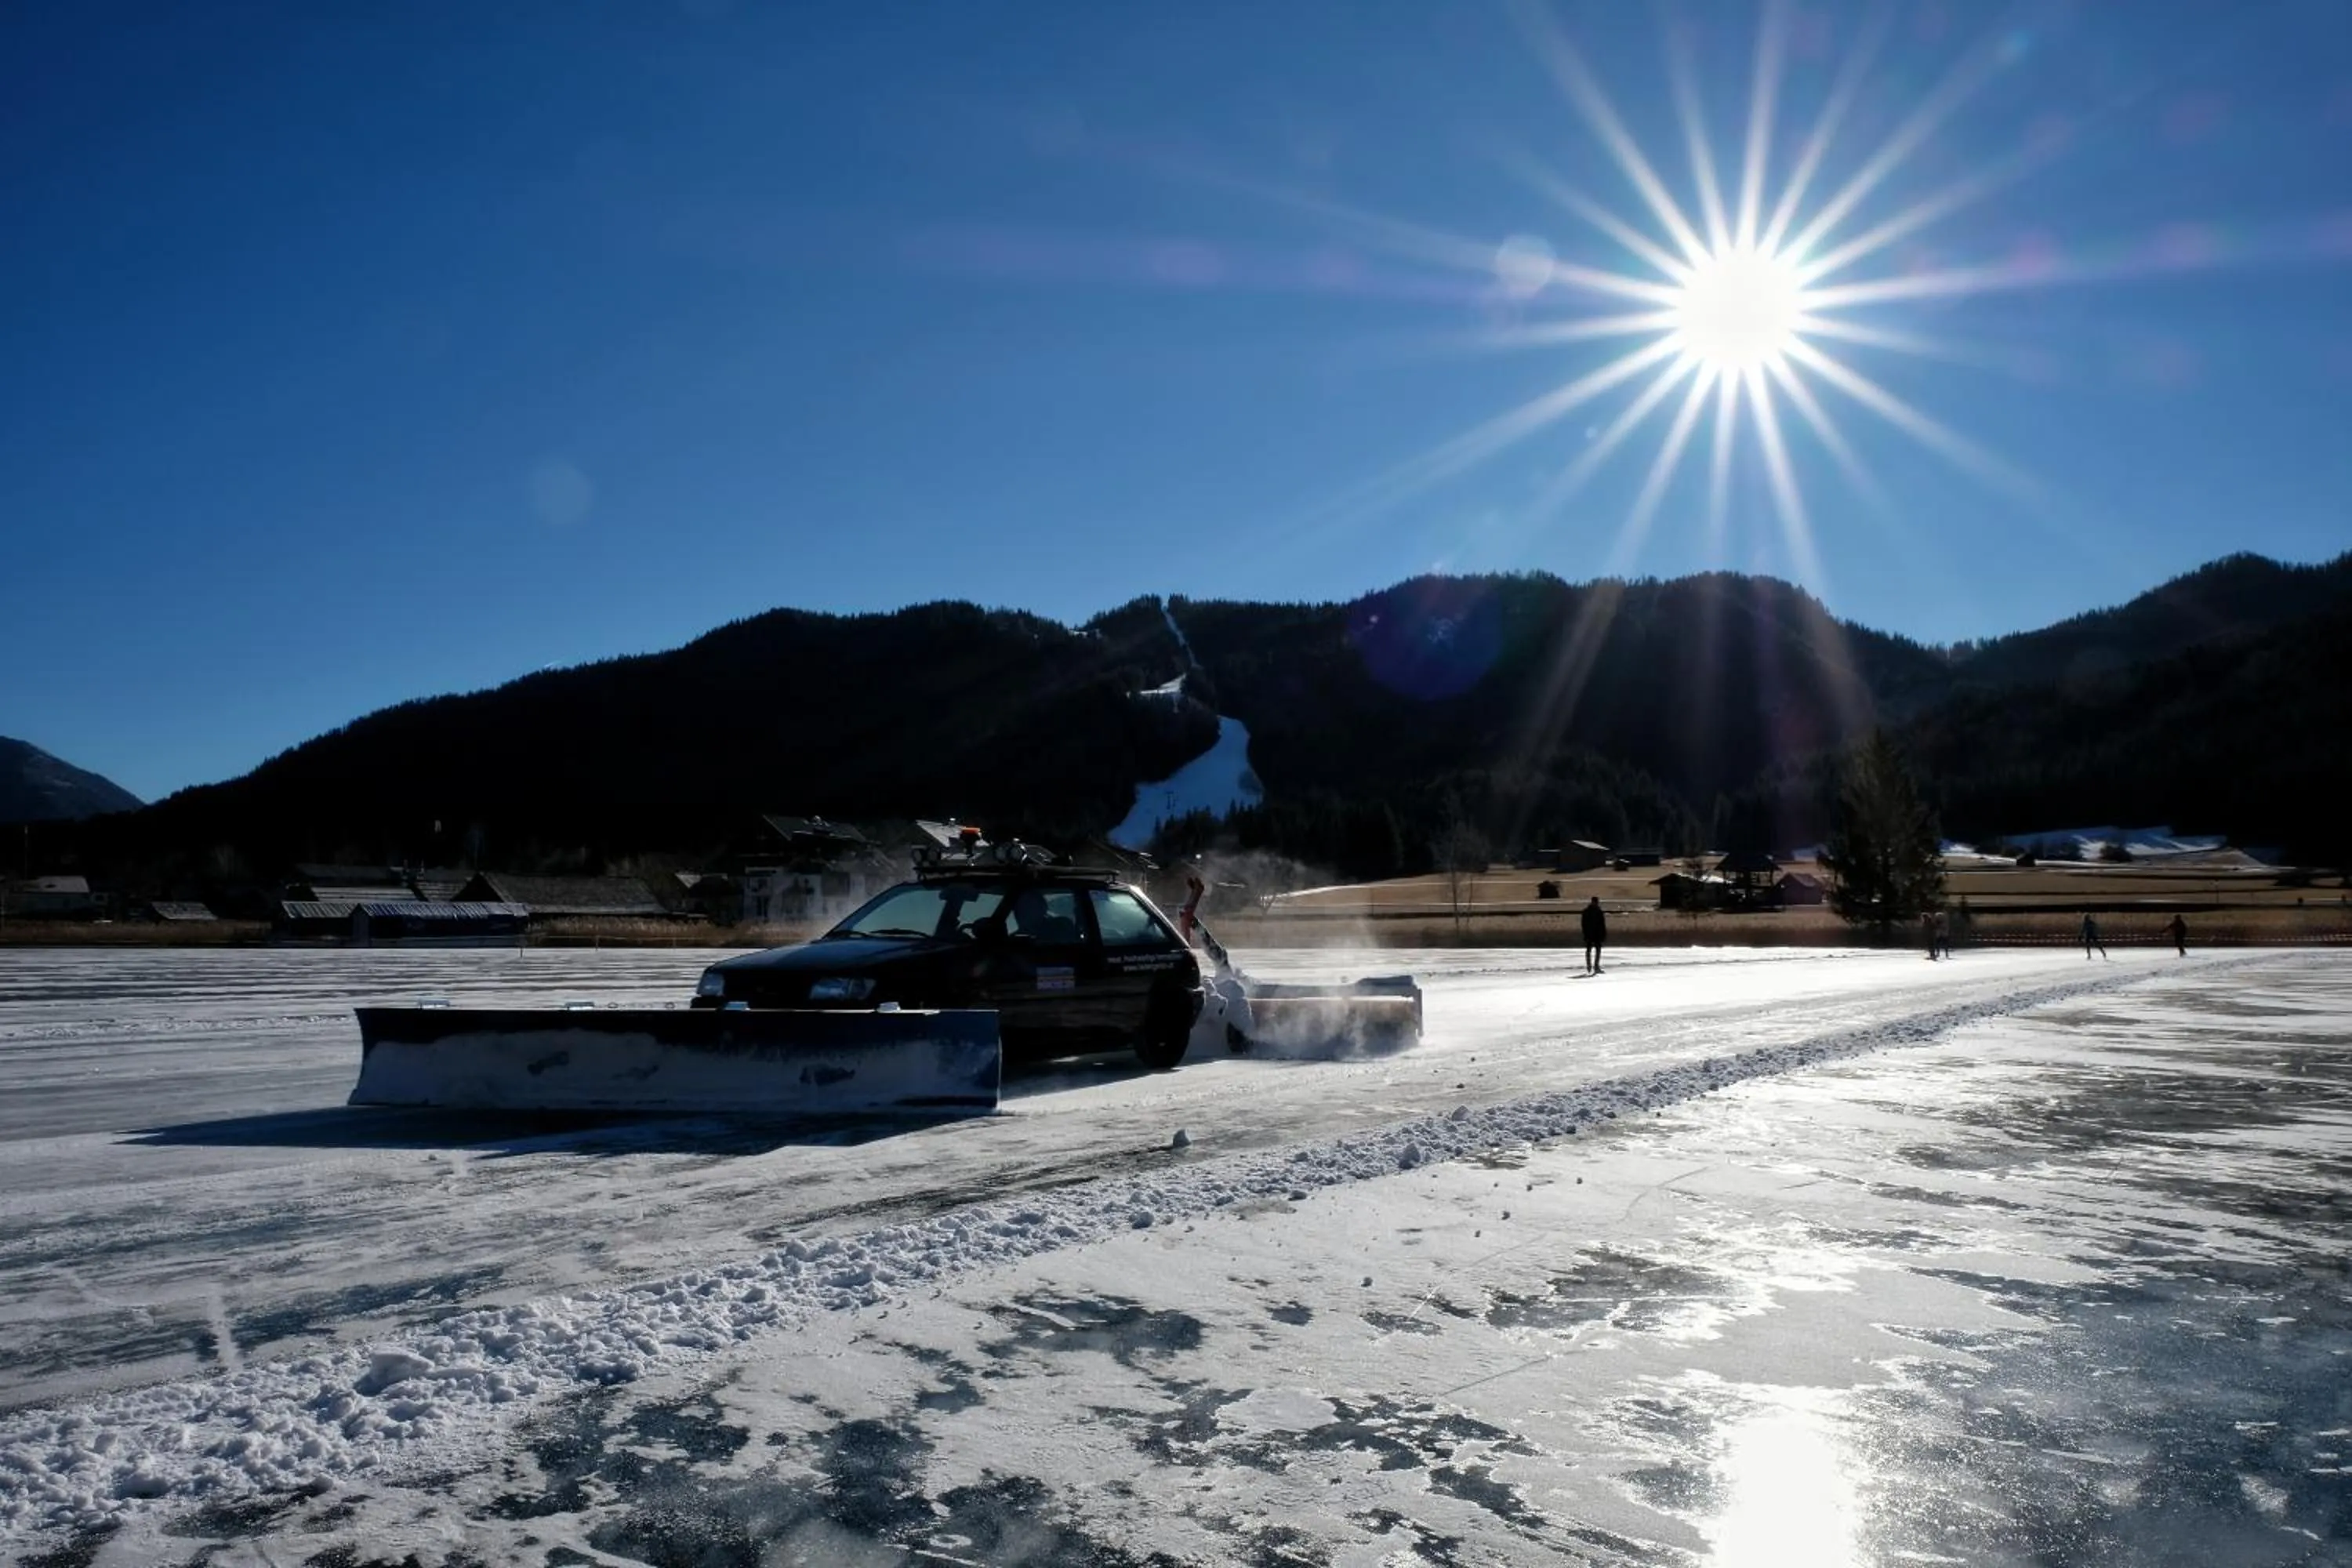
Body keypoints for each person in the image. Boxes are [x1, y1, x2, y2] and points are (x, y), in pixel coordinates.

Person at [1581, 895, 1607, 975]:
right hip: (1594, 934)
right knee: (1594, 950)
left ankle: (1592, 966)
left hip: (1592, 934)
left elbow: (1584, 924)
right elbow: (1602, 924)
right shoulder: (1598, 911)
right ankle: (1593, 966)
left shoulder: (1588, 911)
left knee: (1592, 950)